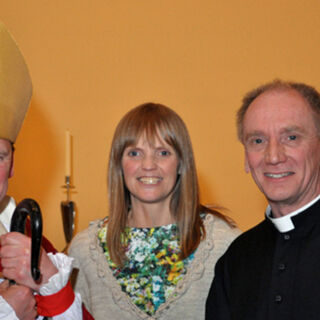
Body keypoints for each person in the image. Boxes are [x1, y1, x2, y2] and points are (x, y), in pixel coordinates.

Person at [206, 79, 320, 320]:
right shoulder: (236, 259)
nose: (274, 156)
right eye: (258, 141)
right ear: (246, 159)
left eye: (291, 137)